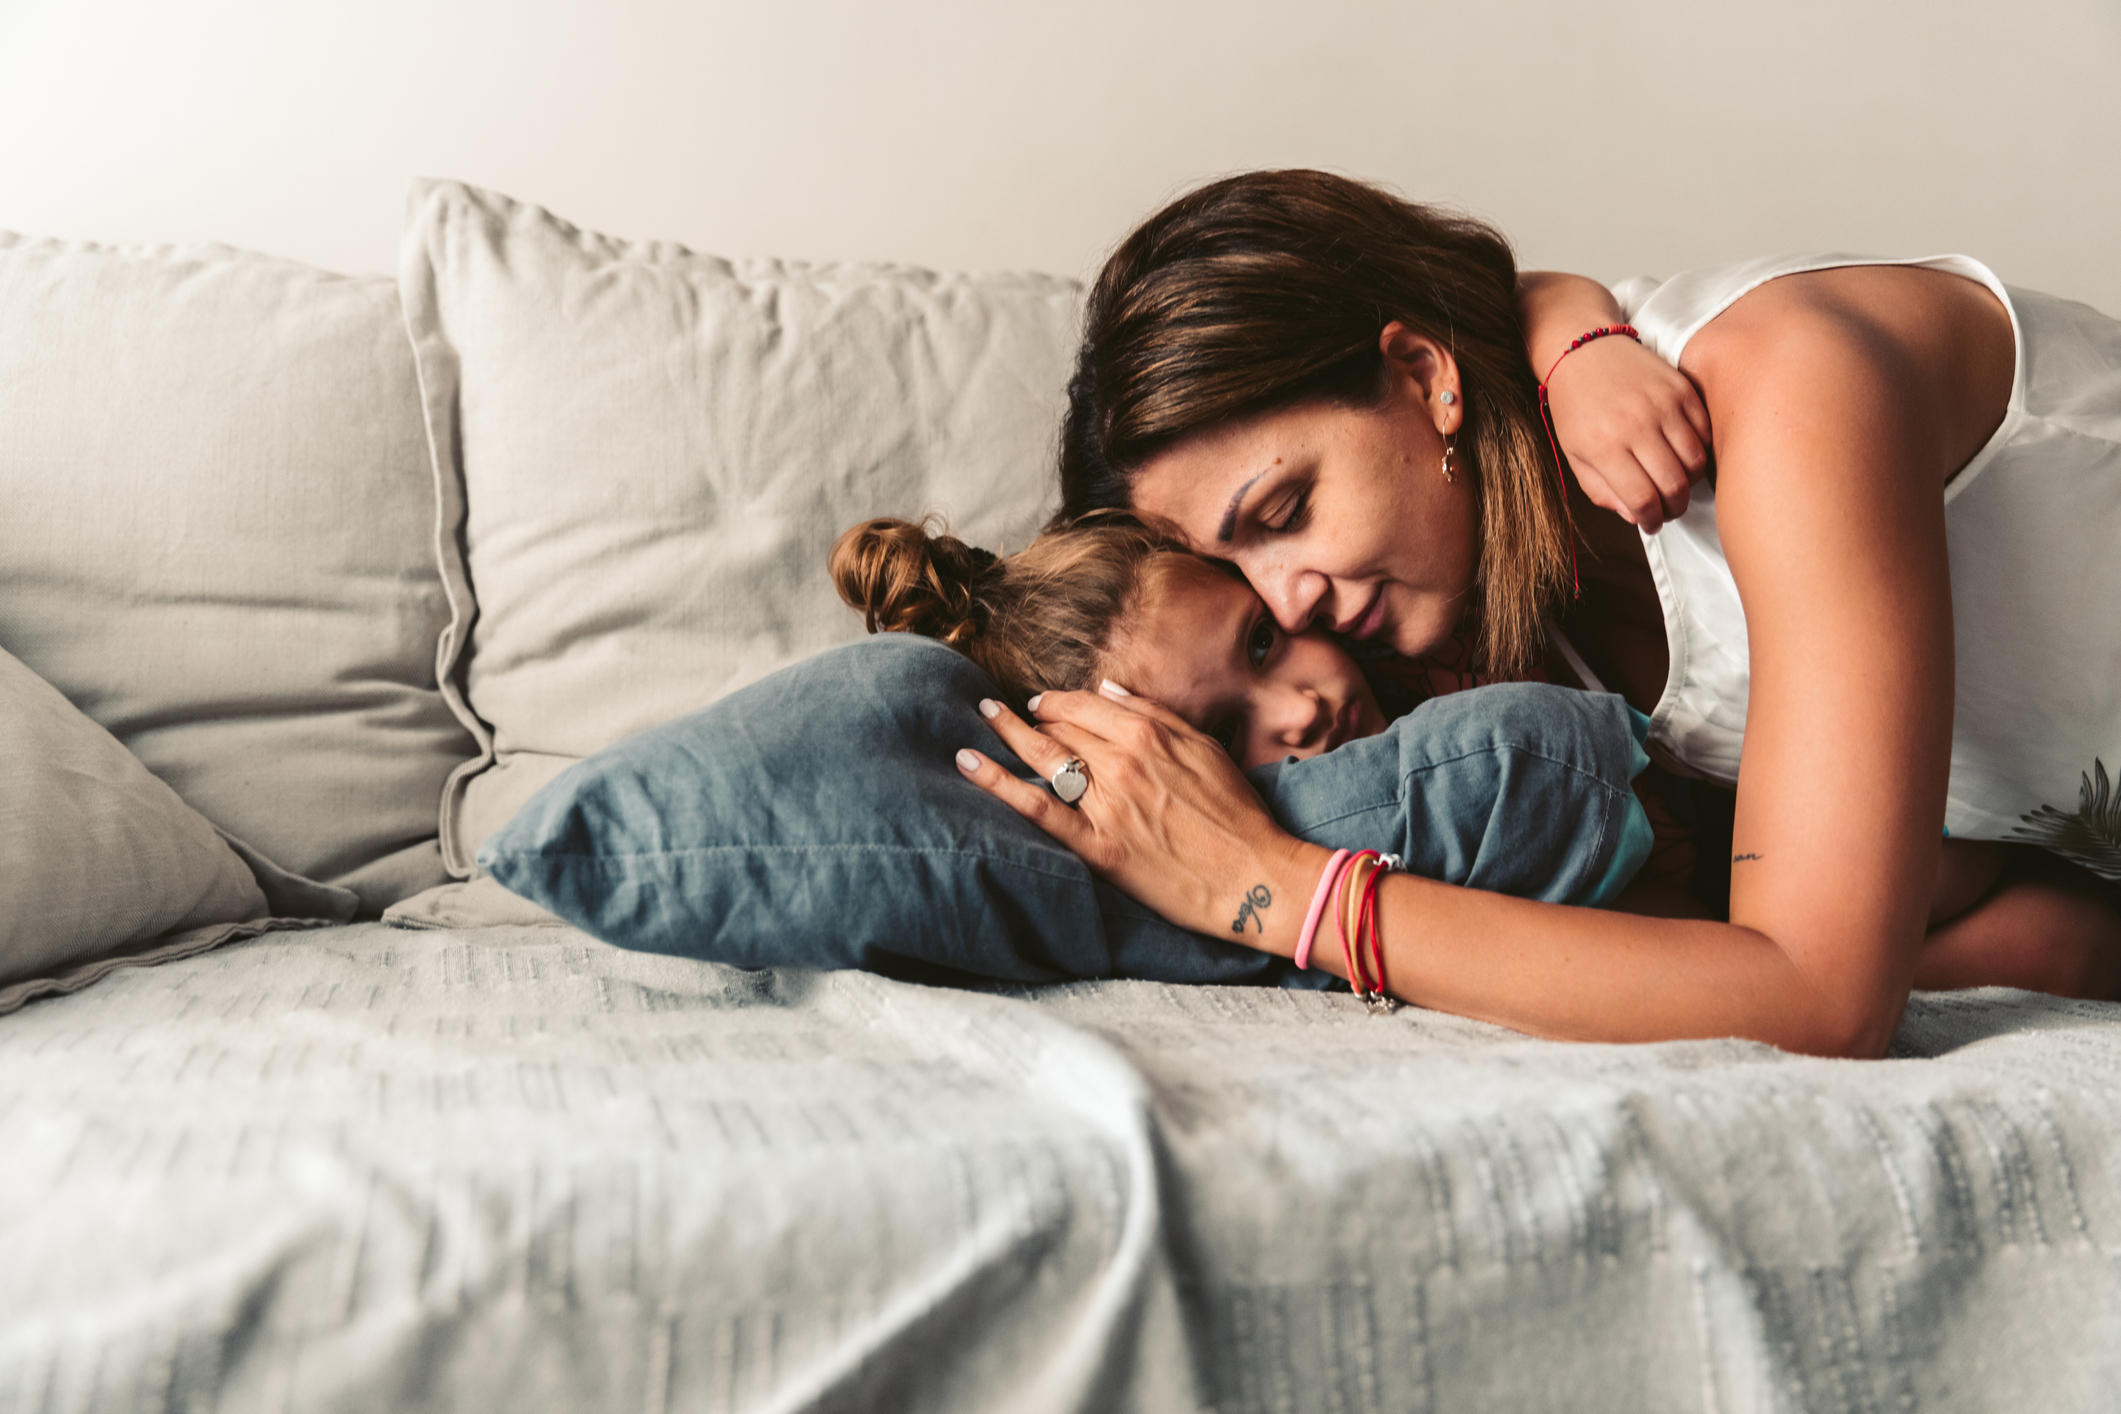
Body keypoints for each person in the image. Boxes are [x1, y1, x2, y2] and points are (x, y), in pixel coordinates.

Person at [953, 169, 2121, 1055]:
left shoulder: (1784, 393)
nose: (1288, 598)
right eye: (1237, 574)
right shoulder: (1474, 626)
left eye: (1287, 508)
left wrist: (1274, 893)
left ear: (1423, 378)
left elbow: (1818, 1000)